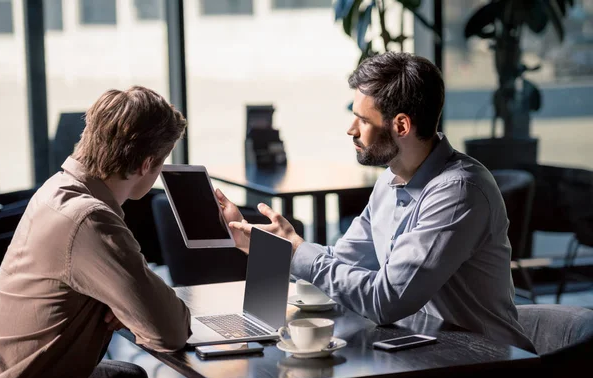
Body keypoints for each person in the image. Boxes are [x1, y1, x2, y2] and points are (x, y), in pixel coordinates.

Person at [219, 51, 535, 354]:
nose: (351, 129)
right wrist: (262, 245)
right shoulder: (391, 178)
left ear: (401, 126)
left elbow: (386, 301)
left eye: (362, 120)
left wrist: (298, 251)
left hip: (485, 369)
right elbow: (342, 264)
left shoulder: (458, 192)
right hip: (425, 354)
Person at [0, 86, 191, 378]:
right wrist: (131, 306)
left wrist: (123, 303)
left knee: (127, 377)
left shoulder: (57, 189)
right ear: (146, 164)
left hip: (7, 375)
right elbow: (170, 332)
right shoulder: (89, 219)